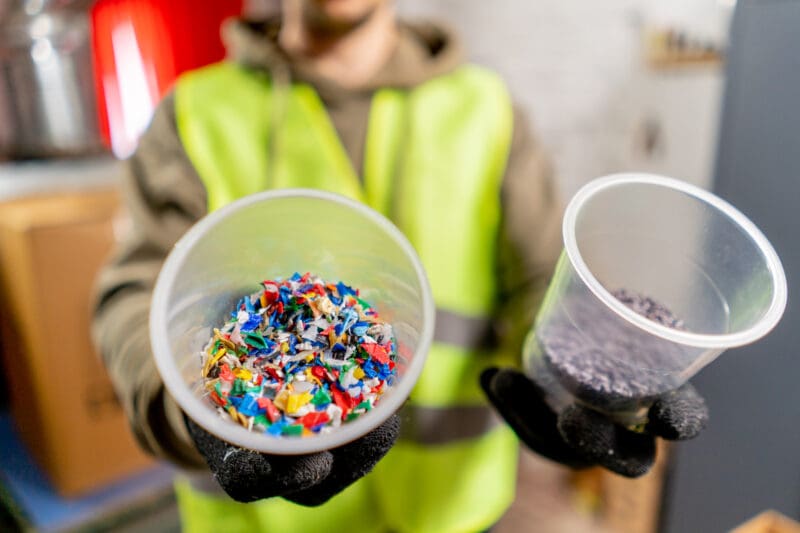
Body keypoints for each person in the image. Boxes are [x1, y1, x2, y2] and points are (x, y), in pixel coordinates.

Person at [92, 1, 708, 532]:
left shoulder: (484, 108)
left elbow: (539, 282)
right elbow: (136, 296)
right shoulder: (195, 113)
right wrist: (183, 406)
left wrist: (573, 378)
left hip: (448, 512)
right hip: (263, 520)